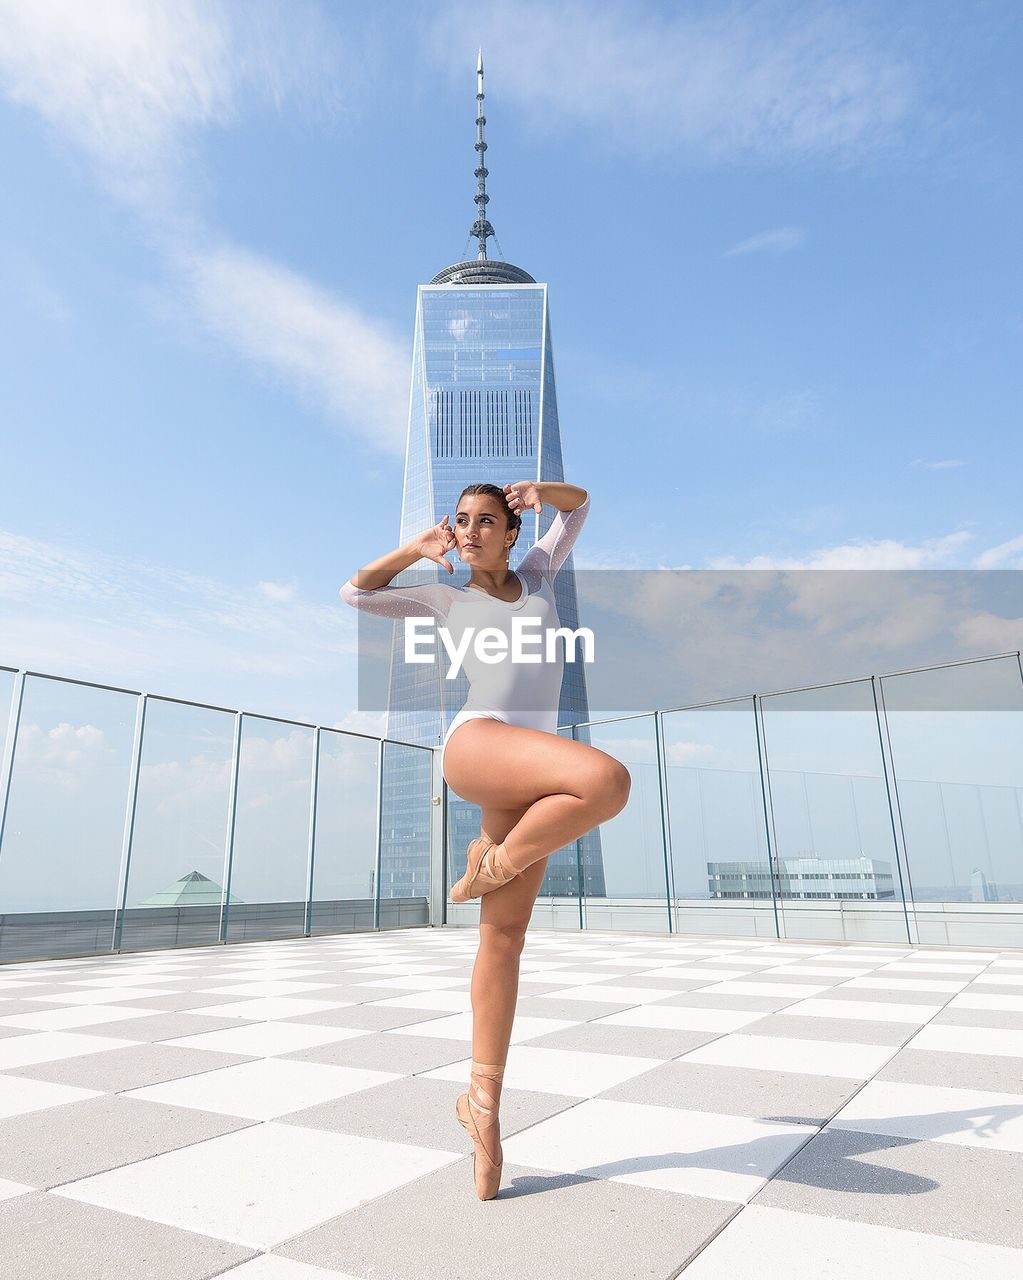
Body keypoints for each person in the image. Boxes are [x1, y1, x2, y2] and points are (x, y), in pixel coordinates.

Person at [339, 479, 631, 1199]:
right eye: (461, 522)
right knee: (606, 782)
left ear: (510, 529)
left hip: (526, 774)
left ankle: (483, 1110)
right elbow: (355, 593)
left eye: (484, 521)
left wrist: (544, 491)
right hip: (476, 746)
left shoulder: (538, 575)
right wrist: (415, 547)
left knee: (502, 942)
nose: (469, 532)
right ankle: (488, 863)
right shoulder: (444, 597)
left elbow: (579, 506)